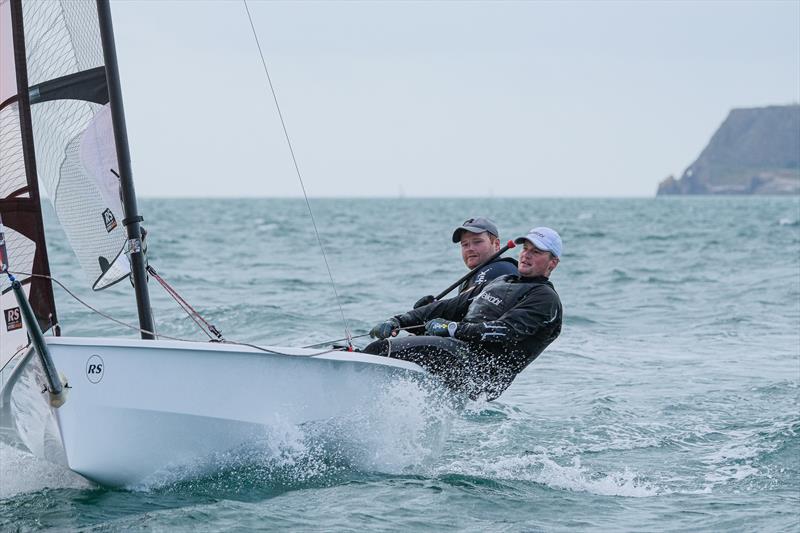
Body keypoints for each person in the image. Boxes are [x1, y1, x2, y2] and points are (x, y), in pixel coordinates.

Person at [365, 227, 563, 401]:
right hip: (460, 353)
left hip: (483, 373)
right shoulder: (503, 281)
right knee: (389, 347)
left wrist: (452, 328)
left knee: (384, 350)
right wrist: (399, 321)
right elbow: (448, 307)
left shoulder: (545, 298)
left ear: (552, 263)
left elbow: (504, 331)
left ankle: (356, 370)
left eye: (536, 252)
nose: (526, 255)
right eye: (525, 249)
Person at [413, 217, 518, 308]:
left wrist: (432, 310)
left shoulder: (501, 269)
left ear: (496, 244)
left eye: (477, 242)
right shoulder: (468, 280)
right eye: (465, 244)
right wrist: (428, 312)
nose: (470, 249)